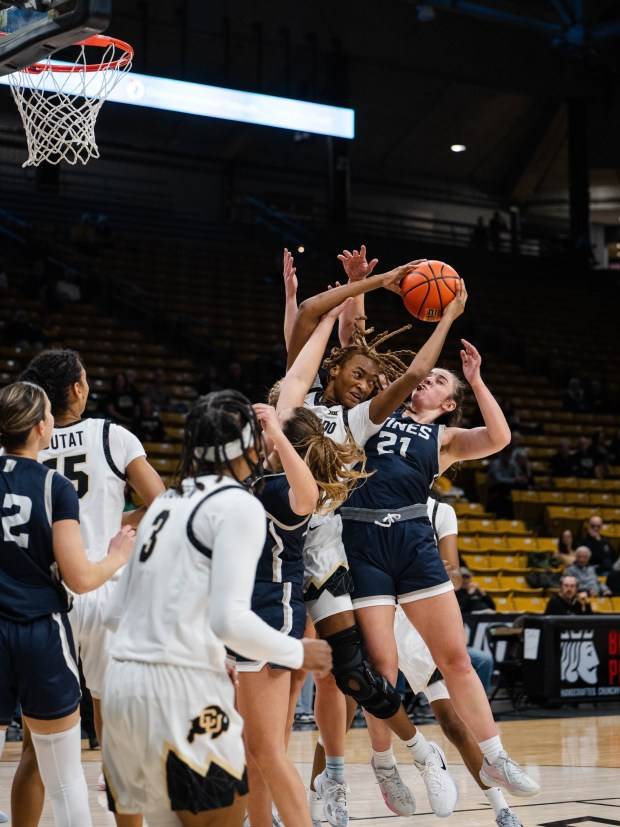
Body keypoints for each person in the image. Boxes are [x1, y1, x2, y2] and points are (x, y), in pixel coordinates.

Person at [280, 248, 465, 823]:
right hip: (275, 547)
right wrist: (367, 284)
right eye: (355, 375)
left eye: (369, 379)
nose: (363, 385)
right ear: (331, 370)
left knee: (349, 675)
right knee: (280, 680)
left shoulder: (359, 421)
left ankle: (411, 753)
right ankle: (275, 791)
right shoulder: (296, 398)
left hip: (325, 549)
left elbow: (404, 376)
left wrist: (445, 319)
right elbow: (313, 321)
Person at [101, 391, 332, 826]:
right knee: (235, 791)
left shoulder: (163, 503)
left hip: (120, 683)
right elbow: (228, 618)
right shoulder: (238, 501)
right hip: (185, 678)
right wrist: (297, 651)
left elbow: (115, 613)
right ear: (247, 445)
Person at [339, 337, 540, 800]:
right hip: (363, 539)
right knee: (381, 668)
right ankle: (385, 763)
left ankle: (495, 757)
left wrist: (476, 380)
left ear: (448, 404)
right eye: (426, 376)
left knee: (456, 660)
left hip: (412, 541)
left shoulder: (444, 439)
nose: (426, 380)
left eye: (438, 381)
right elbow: (355, 345)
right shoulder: (378, 411)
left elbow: (499, 438)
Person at [17, 349, 166, 827]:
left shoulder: (24, 442)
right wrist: (115, 523)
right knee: (118, 740)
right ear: (78, 388)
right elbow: (161, 501)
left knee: (37, 749)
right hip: (106, 588)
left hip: (49, 597)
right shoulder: (111, 435)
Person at [0, 381, 135, 827]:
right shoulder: (54, 486)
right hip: (40, 629)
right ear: (42, 427)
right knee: (64, 780)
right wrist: (115, 556)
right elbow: (79, 577)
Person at [233, 402, 365, 827]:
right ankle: (258, 819)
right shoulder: (255, 482)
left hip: (273, 613)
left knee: (265, 747)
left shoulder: (281, 489)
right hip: (241, 615)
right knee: (252, 743)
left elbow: (306, 497)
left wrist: (275, 432)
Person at [378, 498, 524, 827]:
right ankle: (324, 797)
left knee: (454, 724)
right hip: (381, 614)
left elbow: (454, 575)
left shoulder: (440, 511)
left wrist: (448, 573)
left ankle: (501, 808)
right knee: (357, 704)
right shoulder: (377, 501)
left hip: (418, 624)